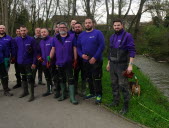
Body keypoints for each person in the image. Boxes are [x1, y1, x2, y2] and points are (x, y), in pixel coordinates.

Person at [106, 19, 136, 115]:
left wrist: (130, 65)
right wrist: (108, 63)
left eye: (118, 25)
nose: (116, 27)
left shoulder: (128, 36)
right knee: (114, 84)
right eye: (115, 25)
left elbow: (132, 50)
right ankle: (115, 101)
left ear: (122, 25)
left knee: (123, 85)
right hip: (113, 64)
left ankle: (125, 106)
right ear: (113, 26)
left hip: (122, 65)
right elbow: (110, 51)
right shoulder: (112, 36)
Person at [77, 18, 105, 104]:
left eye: (89, 23)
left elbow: (102, 46)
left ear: (92, 24)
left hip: (96, 60)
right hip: (85, 61)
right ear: (84, 25)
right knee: (89, 77)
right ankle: (92, 93)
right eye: (86, 23)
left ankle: (98, 94)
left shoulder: (98, 33)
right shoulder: (81, 35)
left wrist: (95, 57)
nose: (88, 24)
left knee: (96, 78)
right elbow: (78, 47)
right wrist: (81, 55)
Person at [50, 22, 78, 105]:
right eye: (60, 27)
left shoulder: (72, 37)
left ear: (67, 28)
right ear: (58, 29)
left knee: (70, 79)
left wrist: (75, 59)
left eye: (64, 27)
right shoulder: (55, 38)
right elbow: (53, 49)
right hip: (59, 62)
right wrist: (49, 58)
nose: (62, 28)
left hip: (69, 62)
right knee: (61, 78)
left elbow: (74, 48)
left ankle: (72, 97)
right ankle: (63, 95)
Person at [14, 25, 37, 102]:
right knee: (23, 77)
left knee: (30, 78)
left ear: (27, 31)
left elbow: (35, 53)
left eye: (24, 30)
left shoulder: (31, 39)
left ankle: (32, 95)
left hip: (29, 63)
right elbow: (16, 51)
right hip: (20, 62)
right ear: (19, 31)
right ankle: (25, 91)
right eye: (21, 30)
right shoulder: (17, 40)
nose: (23, 32)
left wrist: (34, 63)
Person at [37, 28, 55, 97]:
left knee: (54, 77)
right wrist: (39, 58)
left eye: (45, 32)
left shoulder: (52, 40)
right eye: (42, 32)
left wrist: (49, 60)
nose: (43, 33)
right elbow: (39, 52)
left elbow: (54, 51)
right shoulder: (41, 42)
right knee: (47, 77)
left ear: (48, 32)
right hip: (44, 63)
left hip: (52, 62)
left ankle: (58, 90)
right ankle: (49, 90)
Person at [0, 25, 13, 96]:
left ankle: (6, 89)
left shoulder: (9, 38)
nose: (1, 29)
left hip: (4, 59)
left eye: (3, 28)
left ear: (5, 29)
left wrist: (11, 57)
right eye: (0, 28)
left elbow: (11, 48)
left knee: (4, 75)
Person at [73, 22, 86, 96]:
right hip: (75, 59)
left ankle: (83, 90)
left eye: (79, 27)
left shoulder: (85, 34)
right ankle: (75, 89)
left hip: (84, 58)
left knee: (84, 75)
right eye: (76, 27)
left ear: (82, 27)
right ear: (73, 28)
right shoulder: (71, 36)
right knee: (75, 75)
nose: (77, 28)